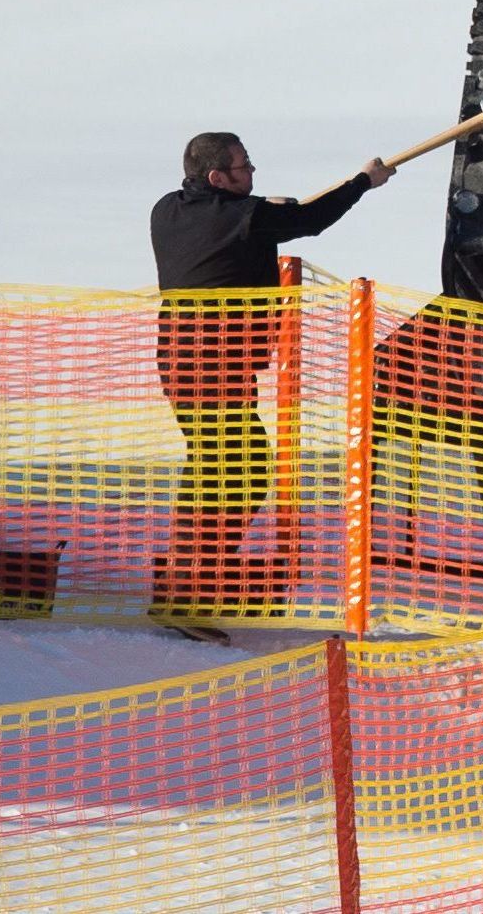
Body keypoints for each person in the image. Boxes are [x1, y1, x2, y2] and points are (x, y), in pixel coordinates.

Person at [150, 132, 393, 640]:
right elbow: (309, 221)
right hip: (212, 369)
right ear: (218, 178)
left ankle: (181, 586)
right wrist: (362, 183)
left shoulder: (169, 210)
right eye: (244, 167)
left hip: (185, 365)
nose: (253, 172)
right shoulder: (245, 218)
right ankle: (187, 594)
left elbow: (251, 216)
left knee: (213, 472)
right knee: (237, 474)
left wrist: (264, 205)